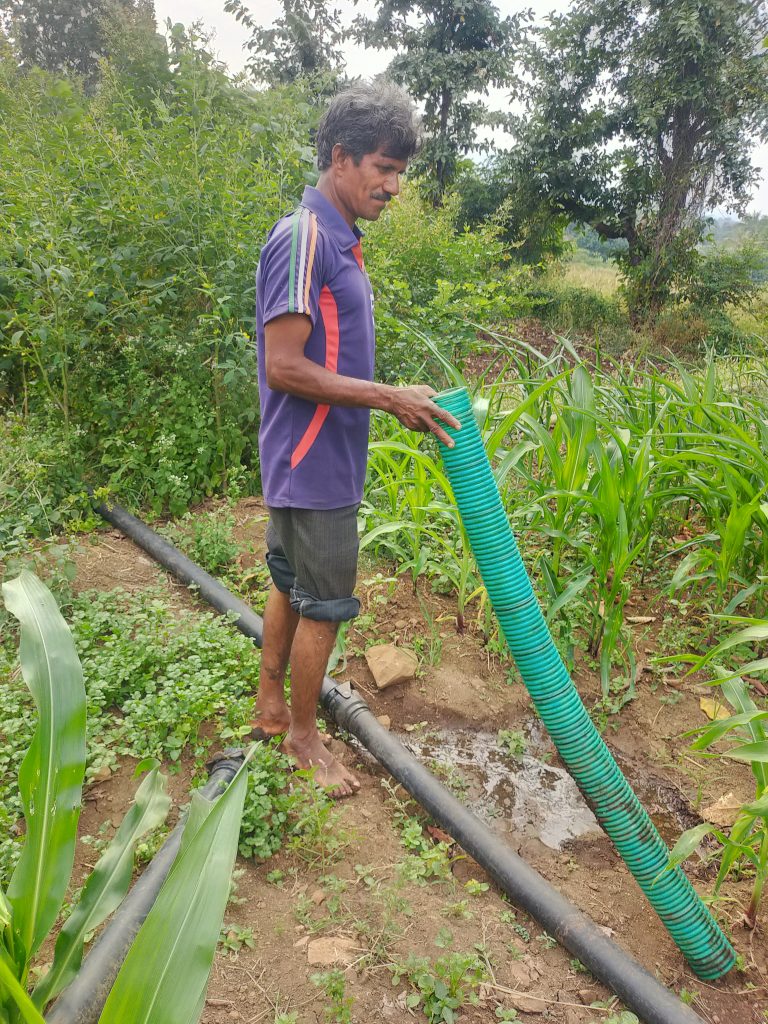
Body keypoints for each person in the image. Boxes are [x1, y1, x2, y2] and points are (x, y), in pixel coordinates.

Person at [253, 80, 461, 796]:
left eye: (400, 170)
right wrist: (386, 397)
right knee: (328, 605)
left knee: (292, 584)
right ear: (340, 158)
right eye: (383, 167)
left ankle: (270, 707)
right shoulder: (306, 237)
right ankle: (303, 740)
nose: (394, 185)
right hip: (314, 464)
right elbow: (283, 366)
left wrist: (392, 393)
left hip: (307, 458)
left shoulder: (337, 240)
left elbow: (328, 353)